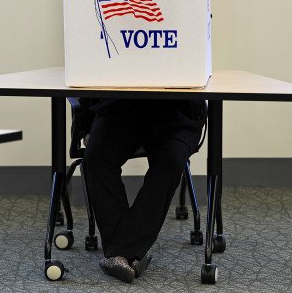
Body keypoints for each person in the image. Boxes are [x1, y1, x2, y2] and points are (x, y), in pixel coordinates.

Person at [81, 98, 207, 283]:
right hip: (118, 109)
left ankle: (120, 254)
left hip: (177, 114)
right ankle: (131, 252)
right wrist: (85, 127)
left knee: (171, 162)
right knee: (96, 158)